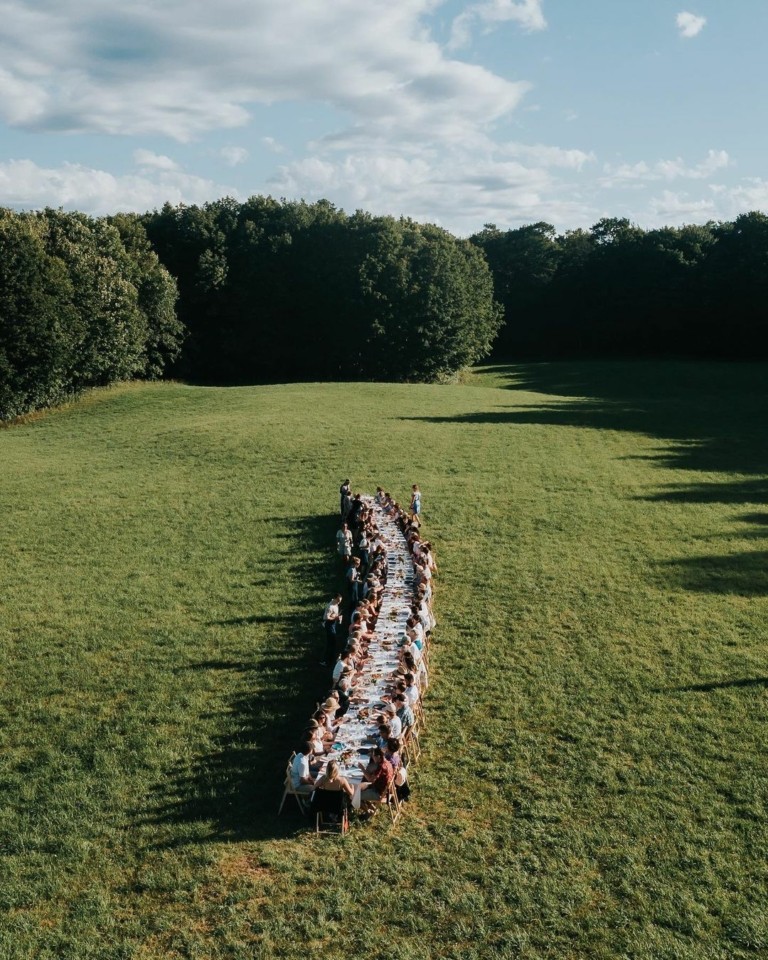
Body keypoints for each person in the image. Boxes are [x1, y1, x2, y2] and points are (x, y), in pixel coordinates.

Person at [321, 594, 343, 666]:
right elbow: (326, 618)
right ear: (335, 599)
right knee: (331, 642)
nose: (339, 602)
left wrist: (338, 617)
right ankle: (326, 660)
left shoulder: (336, 604)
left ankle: (331, 659)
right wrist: (335, 618)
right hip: (329, 624)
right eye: (338, 600)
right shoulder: (330, 606)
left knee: (333, 642)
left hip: (333, 624)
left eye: (340, 601)